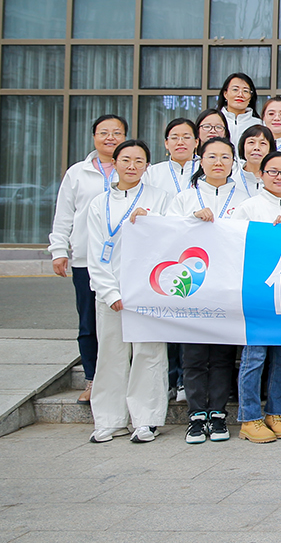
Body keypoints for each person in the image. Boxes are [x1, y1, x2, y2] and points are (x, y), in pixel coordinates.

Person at [84, 139, 170, 443]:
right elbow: (95, 252)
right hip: (110, 292)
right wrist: (110, 292)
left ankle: (146, 420)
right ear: (115, 163)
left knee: (149, 354)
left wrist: (152, 221)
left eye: (138, 161)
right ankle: (109, 420)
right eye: (126, 160)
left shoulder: (160, 198)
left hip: (148, 291)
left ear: (147, 166)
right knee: (110, 355)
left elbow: (171, 241)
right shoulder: (99, 203)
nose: (132, 166)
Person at [169, 137, 243, 445]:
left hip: (229, 286)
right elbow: (167, 234)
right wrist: (192, 220)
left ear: (233, 163)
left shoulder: (245, 199)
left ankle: (218, 413)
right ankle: (196, 416)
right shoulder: (185, 198)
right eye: (212, 156)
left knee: (223, 356)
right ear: (200, 161)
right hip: (193, 288)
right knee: (195, 355)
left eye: (225, 157)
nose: (218, 162)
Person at [50, 114, 125, 403]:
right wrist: (59, 250)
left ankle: (122, 379)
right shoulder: (77, 173)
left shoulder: (132, 168)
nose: (110, 138)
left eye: (116, 132)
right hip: (85, 258)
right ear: (94, 136)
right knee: (88, 322)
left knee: (122, 321)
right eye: (104, 132)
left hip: (124, 259)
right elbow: (64, 213)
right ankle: (93, 380)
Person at [230, 152, 281, 444]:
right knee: (254, 356)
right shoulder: (248, 207)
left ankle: (276, 413)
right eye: (273, 171)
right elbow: (234, 244)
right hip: (258, 291)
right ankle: (249, 417)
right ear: (261, 174)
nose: (279, 177)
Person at [144, 118, 199, 194]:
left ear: (196, 142)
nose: (180, 142)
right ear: (166, 143)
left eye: (186, 137)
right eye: (174, 138)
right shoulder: (152, 173)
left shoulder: (206, 170)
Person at [233, 124, 276, 198]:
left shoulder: (277, 178)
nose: (257, 148)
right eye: (251, 142)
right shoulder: (233, 175)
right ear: (243, 147)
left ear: (270, 149)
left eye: (263, 143)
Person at [216, 72, 260, 138]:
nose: (240, 95)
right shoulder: (213, 121)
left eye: (245, 91)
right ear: (225, 94)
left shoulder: (259, 125)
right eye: (235, 89)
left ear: (251, 96)